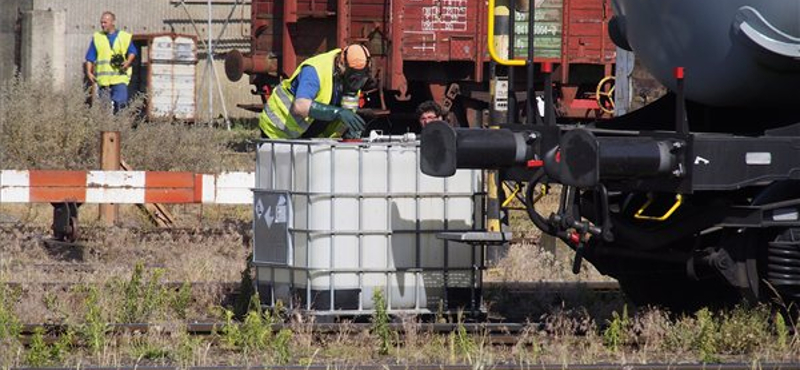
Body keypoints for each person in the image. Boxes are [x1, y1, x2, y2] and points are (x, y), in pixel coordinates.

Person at [259, 44, 370, 139]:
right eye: (353, 78)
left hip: (309, 137)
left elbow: (345, 118)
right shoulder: (315, 70)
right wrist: (337, 113)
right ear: (341, 65)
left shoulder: (353, 82)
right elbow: (300, 106)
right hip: (277, 132)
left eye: (361, 79)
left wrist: (348, 131)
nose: (356, 84)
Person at [85, 11, 137, 113]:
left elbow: (132, 52)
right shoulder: (97, 37)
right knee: (104, 107)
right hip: (103, 80)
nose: (102, 25)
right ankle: (106, 127)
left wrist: (128, 62)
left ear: (112, 22)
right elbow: (90, 57)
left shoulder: (124, 36)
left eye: (105, 22)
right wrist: (88, 72)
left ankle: (119, 126)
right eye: (101, 22)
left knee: (121, 105)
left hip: (119, 77)